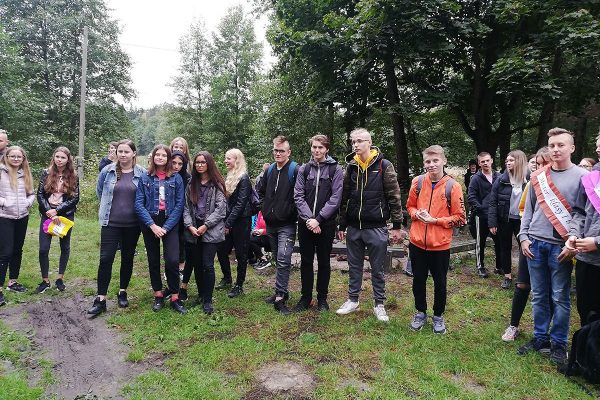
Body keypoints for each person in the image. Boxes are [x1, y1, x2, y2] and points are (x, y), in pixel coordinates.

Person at [517, 128, 587, 365]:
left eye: (561, 145)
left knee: (559, 297)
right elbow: (528, 210)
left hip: (561, 246)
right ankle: (540, 337)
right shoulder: (539, 176)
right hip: (535, 244)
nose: (555, 149)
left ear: (572, 148)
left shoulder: (582, 176)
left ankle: (558, 343)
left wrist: (573, 239)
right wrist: (523, 237)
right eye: (552, 145)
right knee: (538, 295)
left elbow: (581, 213)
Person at [336, 128, 403, 322]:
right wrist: (342, 225)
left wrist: (397, 225)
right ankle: (353, 300)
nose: (355, 145)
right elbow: (344, 197)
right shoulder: (351, 167)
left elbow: (394, 195)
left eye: (359, 141)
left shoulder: (384, 165)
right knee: (354, 266)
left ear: (369, 142)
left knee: (377, 268)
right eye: (353, 141)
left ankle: (379, 304)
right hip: (354, 227)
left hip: (376, 226)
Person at [406, 145, 465, 333]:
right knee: (418, 280)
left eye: (435, 161)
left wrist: (435, 221)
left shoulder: (453, 186)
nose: (431, 165)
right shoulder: (417, 182)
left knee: (440, 282)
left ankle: (438, 316)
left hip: (440, 245)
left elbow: (460, 218)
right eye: (428, 161)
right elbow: (410, 206)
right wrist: (416, 214)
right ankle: (420, 312)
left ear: (444, 161)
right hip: (417, 243)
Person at [88, 139, 145, 317]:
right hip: (110, 223)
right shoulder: (107, 171)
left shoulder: (142, 173)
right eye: (120, 151)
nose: (123, 154)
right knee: (106, 259)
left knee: (127, 258)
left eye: (126, 152)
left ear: (133, 153)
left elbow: (144, 196)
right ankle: (101, 299)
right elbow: (100, 192)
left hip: (133, 225)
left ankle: (122, 292)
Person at [501, 147, 552, 341]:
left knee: (549, 290)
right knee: (522, 284)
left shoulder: (562, 185)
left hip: (553, 244)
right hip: (530, 241)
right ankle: (513, 325)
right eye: (537, 164)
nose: (539, 167)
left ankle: (545, 332)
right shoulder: (532, 184)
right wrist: (523, 238)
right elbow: (523, 211)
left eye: (544, 163)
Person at [293, 134, 343, 312]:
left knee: (324, 262)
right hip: (306, 224)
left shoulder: (336, 169)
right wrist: (309, 220)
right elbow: (298, 195)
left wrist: (319, 219)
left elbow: (336, 198)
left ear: (327, 149)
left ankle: (322, 299)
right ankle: (305, 298)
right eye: (314, 147)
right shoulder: (304, 169)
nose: (317, 150)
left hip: (326, 224)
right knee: (306, 261)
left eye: (320, 147)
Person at [135, 144, 186, 314]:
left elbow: (179, 204)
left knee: (172, 260)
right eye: (158, 155)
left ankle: (175, 296)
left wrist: (166, 227)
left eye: (164, 155)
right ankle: (158, 294)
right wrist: (152, 225)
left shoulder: (176, 178)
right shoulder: (145, 177)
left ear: (168, 158)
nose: (160, 158)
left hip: (170, 221)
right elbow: (139, 204)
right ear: (153, 157)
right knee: (153, 259)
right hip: (150, 221)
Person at [256, 135, 299, 315]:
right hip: (271, 223)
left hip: (287, 224)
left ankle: (280, 297)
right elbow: (260, 191)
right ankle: (281, 291)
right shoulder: (270, 170)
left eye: (282, 151)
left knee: (283, 258)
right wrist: (264, 208)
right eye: (276, 150)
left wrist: (289, 211)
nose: (278, 153)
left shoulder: (295, 170)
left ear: (289, 152)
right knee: (277, 258)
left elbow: (300, 194)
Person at [181, 151, 226, 314]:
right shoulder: (191, 184)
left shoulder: (217, 184)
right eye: (197, 162)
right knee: (197, 264)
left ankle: (208, 300)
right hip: (194, 228)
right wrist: (189, 225)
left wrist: (206, 225)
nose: (200, 165)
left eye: (203, 162)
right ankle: (201, 295)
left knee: (207, 264)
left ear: (209, 164)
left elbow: (221, 209)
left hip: (211, 229)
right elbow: (186, 208)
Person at [36, 146, 79, 293]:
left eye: (63, 157)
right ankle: (45, 280)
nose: (59, 160)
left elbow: (75, 198)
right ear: (54, 157)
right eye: (57, 157)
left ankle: (60, 278)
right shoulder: (46, 173)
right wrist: (49, 211)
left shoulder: (73, 175)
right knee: (43, 248)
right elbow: (40, 195)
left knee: (64, 247)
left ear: (68, 160)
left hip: (65, 215)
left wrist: (58, 211)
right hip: (48, 214)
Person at [567, 134, 600, 326]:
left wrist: (597, 242)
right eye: (597, 146)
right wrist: (574, 233)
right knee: (586, 313)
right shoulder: (591, 178)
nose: (597, 150)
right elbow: (579, 211)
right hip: (586, 260)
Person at [488, 150, 528, 289]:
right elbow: (492, 202)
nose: (508, 163)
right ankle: (507, 276)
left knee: (525, 247)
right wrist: (492, 222)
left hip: (522, 220)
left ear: (520, 161)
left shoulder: (528, 178)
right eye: (507, 160)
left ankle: (524, 276)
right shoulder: (501, 179)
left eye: (511, 160)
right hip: (504, 219)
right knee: (505, 247)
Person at [216, 149, 253, 298]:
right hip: (229, 219)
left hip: (242, 221)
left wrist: (228, 224)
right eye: (226, 158)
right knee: (221, 250)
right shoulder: (230, 175)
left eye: (228, 158)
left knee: (241, 253)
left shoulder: (244, 178)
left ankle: (239, 285)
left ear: (237, 160)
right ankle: (227, 278)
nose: (225, 161)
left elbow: (240, 204)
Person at [0, 146, 35, 305]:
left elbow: (31, 193)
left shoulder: (25, 173)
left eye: (19, 157)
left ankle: (13, 282)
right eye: (12, 156)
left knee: (17, 250)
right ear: (6, 157)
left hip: (22, 217)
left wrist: (27, 203)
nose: (15, 159)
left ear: (23, 159)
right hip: (4, 216)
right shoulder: (1, 172)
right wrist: (4, 203)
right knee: (5, 252)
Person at [467, 152, 500, 278]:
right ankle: (480, 266)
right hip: (481, 216)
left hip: (496, 215)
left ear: (491, 160)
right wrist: (481, 208)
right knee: (480, 242)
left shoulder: (499, 176)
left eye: (487, 160)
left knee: (499, 241)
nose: (485, 163)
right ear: (479, 163)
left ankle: (499, 266)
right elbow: (471, 197)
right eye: (482, 161)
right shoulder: (475, 178)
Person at [171, 150, 191, 272]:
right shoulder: (165, 175)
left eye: (180, 164)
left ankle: (182, 262)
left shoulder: (187, 178)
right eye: (174, 163)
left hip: (183, 212)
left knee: (182, 238)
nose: (176, 166)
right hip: (169, 213)